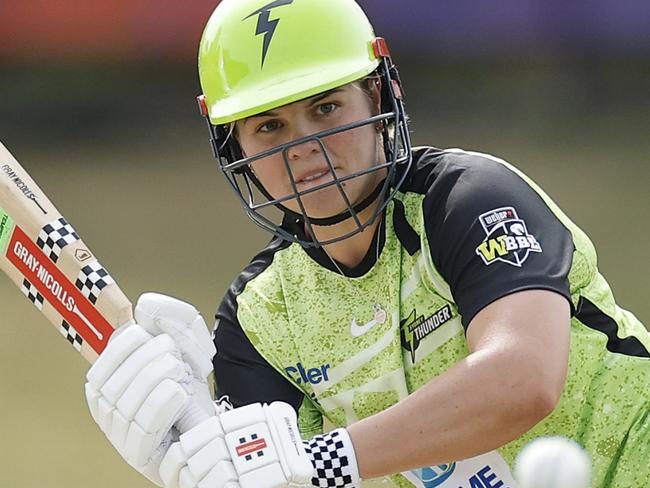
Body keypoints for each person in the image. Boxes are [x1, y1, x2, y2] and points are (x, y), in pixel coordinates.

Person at [84, 0, 650, 487]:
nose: (303, 147)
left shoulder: (464, 199)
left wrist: (319, 460)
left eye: (325, 108)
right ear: (233, 144)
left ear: (377, 95)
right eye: (268, 126)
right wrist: (195, 454)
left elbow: (523, 380)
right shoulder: (259, 322)